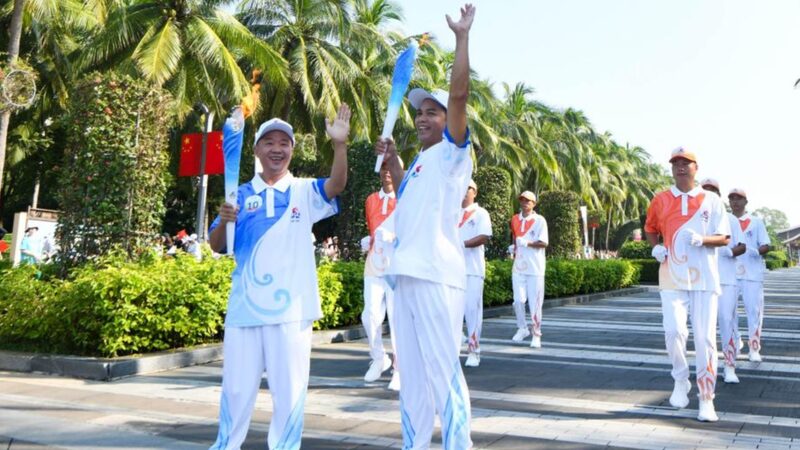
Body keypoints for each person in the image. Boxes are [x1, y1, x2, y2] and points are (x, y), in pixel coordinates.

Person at [207, 104, 351, 450]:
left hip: (291, 310)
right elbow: (218, 246)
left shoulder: (304, 190)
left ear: (291, 150)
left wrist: (340, 146)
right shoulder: (238, 195)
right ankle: (225, 445)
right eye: (268, 142)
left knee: (289, 390)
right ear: (256, 150)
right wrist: (227, 219)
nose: (276, 148)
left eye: (283, 143)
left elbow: (336, 185)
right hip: (245, 309)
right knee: (237, 389)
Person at [374, 4, 475, 448]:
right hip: (406, 275)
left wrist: (462, 39)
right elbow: (406, 192)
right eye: (420, 112)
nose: (423, 117)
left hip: (436, 275)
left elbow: (459, 98)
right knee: (412, 375)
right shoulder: (420, 161)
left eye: (432, 112)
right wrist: (393, 155)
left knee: (441, 370)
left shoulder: (454, 155)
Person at [644, 147, 730, 422]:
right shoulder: (660, 199)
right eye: (676, 163)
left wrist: (703, 240)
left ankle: (706, 398)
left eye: (686, 163)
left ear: (696, 168)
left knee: (705, 339)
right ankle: (681, 379)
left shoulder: (712, 200)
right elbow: (650, 229)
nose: (681, 166)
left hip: (704, 278)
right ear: (672, 168)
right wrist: (655, 248)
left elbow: (725, 238)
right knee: (674, 332)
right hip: (672, 275)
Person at [700, 178, 745, 383]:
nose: (708, 193)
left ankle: (729, 366)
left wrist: (727, 251)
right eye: (705, 190)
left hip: (726, 280)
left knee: (727, 322)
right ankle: (707, 367)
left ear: (718, 195)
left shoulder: (731, 219)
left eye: (713, 191)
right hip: (702, 281)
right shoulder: (695, 218)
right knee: (704, 327)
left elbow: (742, 246)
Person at [361, 162, 400, 389]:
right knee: (370, 315)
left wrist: (395, 237)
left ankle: (399, 368)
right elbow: (372, 229)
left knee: (396, 318)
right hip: (374, 263)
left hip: (396, 265)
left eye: (391, 167)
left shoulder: (405, 198)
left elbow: (412, 231)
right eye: (383, 168)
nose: (387, 171)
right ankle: (379, 358)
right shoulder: (370, 200)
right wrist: (369, 241)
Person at [728, 188, 771, 362]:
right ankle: (736, 341)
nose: (735, 202)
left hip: (752, 274)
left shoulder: (756, 222)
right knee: (729, 312)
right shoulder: (726, 221)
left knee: (754, 311)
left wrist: (756, 251)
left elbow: (766, 245)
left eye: (739, 199)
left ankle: (754, 347)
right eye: (731, 199)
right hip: (729, 274)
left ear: (746, 202)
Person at [509, 191, 549, 348]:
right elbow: (515, 240)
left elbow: (544, 243)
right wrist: (514, 248)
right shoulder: (514, 219)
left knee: (535, 304)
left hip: (535, 269)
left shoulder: (540, 221)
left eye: (528, 201)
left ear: (534, 203)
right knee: (518, 300)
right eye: (522, 200)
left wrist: (527, 243)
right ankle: (522, 328)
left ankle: (536, 333)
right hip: (518, 267)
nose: (525, 202)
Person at [459, 179, 492, 367]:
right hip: (452, 270)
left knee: (472, 311)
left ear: (475, 192)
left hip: (472, 270)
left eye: (468, 188)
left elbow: (484, 237)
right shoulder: (452, 212)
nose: (465, 191)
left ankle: (474, 350)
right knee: (452, 311)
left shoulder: (481, 213)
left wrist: (462, 244)